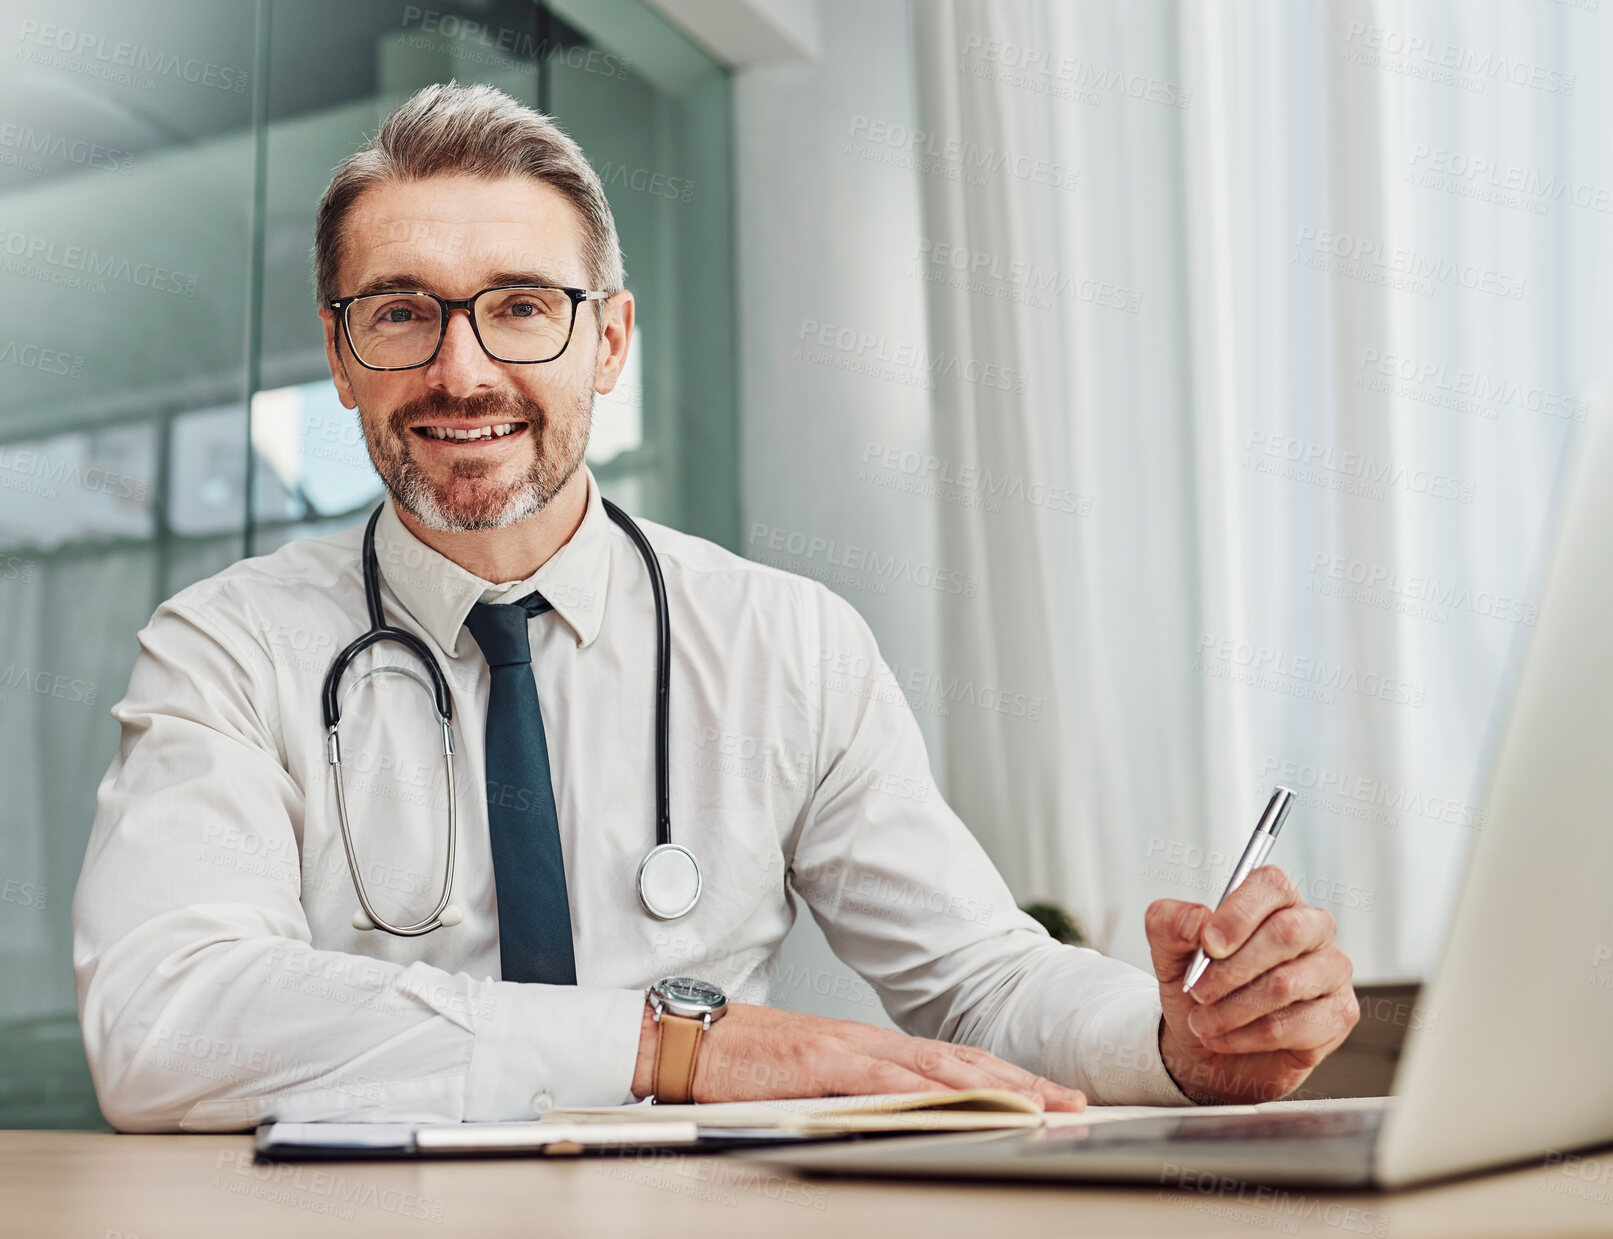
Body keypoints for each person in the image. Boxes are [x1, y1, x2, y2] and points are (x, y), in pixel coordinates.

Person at [71, 83, 1357, 1132]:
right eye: (401, 314)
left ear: (610, 341)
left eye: (522, 307)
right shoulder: (227, 651)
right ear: (343, 358)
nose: (462, 370)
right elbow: (167, 1018)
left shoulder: (786, 644)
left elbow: (979, 976)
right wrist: (673, 1049)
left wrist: (1179, 1042)